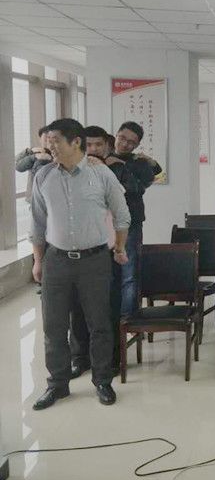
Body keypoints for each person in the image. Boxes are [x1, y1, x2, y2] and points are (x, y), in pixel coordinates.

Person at [29, 119, 130, 410]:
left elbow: (122, 215)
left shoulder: (101, 174)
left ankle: (102, 381)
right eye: (49, 141)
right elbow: (37, 223)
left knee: (99, 324)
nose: (50, 147)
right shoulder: (43, 176)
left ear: (75, 142)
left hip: (95, 261)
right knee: (54, 326)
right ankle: (57, 384)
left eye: (56, 141)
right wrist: (38, 261)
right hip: (56, 261)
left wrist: (119, 247)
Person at [69, 125, 117, 379]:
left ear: (107, 146)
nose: (94, 149)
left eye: (99, 144)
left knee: (105, 309)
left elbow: (126, 205)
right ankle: (79, 358)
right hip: (76, 251)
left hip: (107, 249)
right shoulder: (68, 171)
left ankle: (108, 362)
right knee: (76, 308)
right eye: (89, 145)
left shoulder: (115, 170)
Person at [108, 121, 161, 316]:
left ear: (137, 145)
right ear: (116, 135)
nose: (124, 144)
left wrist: (121, 166)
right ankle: (110, 315)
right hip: (104, 223)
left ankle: (128, 316)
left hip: (131, 221)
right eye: (122, 138)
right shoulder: (101, 159)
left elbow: (138, 187)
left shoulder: (139, 163)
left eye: (131, 142)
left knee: (129, 270)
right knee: (106, 271)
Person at [15, 126, 52, 200]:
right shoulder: (36, 152)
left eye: (50, 140)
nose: (47, 143)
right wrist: (31, 152)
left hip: (50, 198)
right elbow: (18, 166)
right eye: (45, 140)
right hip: (33, 198)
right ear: (40, 140)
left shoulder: (58, 154)